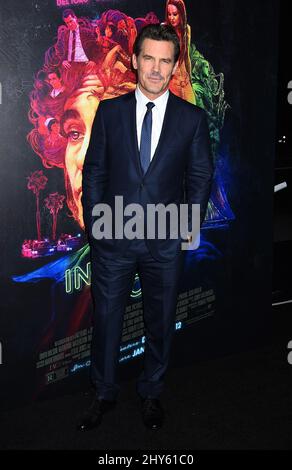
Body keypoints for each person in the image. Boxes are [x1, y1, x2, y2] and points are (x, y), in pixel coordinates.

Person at [79, 23, 213, 431]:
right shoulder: (110, 111)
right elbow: (95, 171)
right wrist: (97, 229)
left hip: (164, 243)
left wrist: (186, 232)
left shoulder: (191, 119)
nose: (156, 69)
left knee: (160, 321)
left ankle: (151, 392)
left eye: (165, 61)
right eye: (149, 58)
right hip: (113, 240)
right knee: (106, 322)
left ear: (174, 67)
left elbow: (201, 177)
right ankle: (103, 393)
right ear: (135, 61)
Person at [164, 0, 196, 104]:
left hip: (185, 79)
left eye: (175, 14)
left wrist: (190, 80)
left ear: (181, 14)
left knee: (192, 107)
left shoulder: (186, 29)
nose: (171, 18)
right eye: (169, 14)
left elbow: (186, 57)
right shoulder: (163, 29)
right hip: (171, 79)